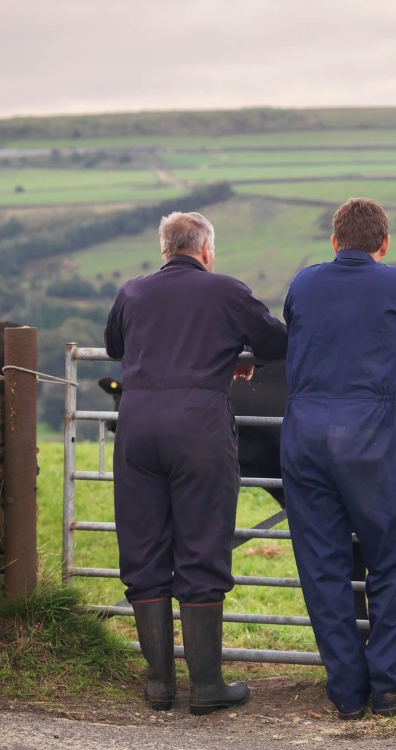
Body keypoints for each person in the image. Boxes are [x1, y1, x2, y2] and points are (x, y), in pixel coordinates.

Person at [280, 197, 396, 720]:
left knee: (322, 563)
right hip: (369, 438)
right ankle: (391, 681)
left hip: (303, 436)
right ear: (384, 244)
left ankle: (345, 691)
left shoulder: (303, 283)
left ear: (334, 242)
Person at [104, 211, 287, 716]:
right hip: (199, 426)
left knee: (143, 550)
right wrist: (235, 354)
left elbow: (116, 346)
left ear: (165, 249)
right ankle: (207, 686)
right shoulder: (226, 291)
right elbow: (276, 342)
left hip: (137, 424)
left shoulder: (132, 291)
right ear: (205, 250)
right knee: (201, 545)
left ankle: (159, 684)